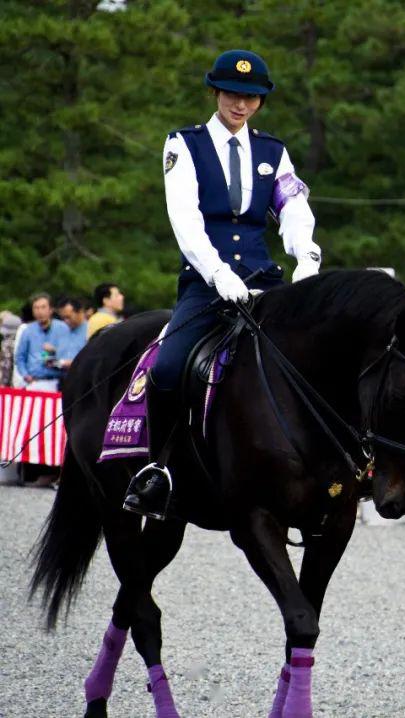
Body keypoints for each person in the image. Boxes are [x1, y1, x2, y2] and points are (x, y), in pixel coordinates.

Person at [124, 49, 320, 520]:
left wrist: (306, 256)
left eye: (252, 98)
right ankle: (158, 471)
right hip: (205, 283)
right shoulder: (183, 145)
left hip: (263, 280)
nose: (242, 105)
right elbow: (185, 221)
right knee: (169, 367)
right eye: (234, 94)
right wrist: (217, 274)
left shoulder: (273, 152)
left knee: (313, 357)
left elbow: (293, 206)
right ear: (215, 91)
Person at [13, 293, 67, 392]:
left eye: (43, 307)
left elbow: (69, 353)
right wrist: (25, 375)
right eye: (36, 308)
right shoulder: (28, 330)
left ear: (51, 310)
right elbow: (20, 357)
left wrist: (55, 350)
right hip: (34, 382)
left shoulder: (63, 328)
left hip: (57, 381)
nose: (40, 311)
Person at [55, 297, 89, 371]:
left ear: (80, 312)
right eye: (63, 318)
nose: (65, 321)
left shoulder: (90, 331)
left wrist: (71, 363)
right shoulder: (61, 330)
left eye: (68, 317)